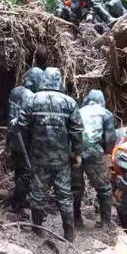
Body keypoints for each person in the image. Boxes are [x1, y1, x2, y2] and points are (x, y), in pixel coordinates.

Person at [17, 67, 83, 242]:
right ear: (59, 80)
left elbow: (21, 126)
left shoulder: (32, 100)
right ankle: (69, 235)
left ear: (44, 79)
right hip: (62, 160)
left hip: (38, 158)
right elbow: (77, 131)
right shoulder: (70, 102)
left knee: (38, 194)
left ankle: (38, 231)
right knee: (65, 196)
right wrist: (77, 153)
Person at [72, 89, 116, 229]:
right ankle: (106, 223)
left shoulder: (78, 110)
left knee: (75, 187)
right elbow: (110, 138)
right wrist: (107, 153)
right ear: (101, 101)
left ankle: (76, 218)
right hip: (93, 152)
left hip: (74, 151)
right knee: (104, 188)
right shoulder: (106, 113)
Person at [7, 67, 43, 211]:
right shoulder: (30, 96)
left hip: (12, 137)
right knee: (27, 172)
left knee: (19, 169)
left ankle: (21, 199)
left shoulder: (15, 91)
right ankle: (16, 205)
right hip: (23, 139)